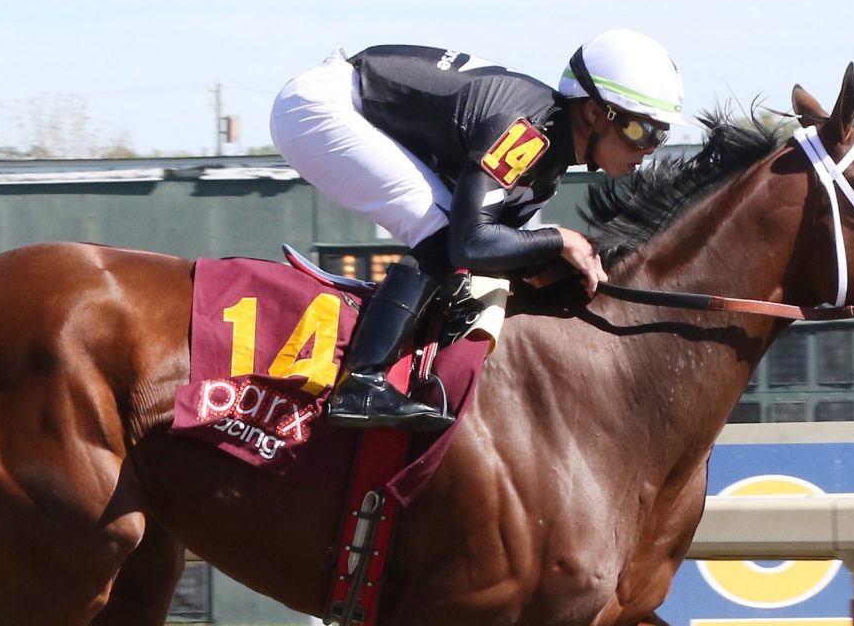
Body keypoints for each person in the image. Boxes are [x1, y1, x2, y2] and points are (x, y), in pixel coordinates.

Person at [269, 29, 689, 431]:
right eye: (641, 130)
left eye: (661, 134)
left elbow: (500, 252)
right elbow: (470, 243)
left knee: (450, 234)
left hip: (351, 102)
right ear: (595, 112)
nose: (649, 149)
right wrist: (561, 239)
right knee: (440, 230)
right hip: (322, 107)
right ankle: (361, 383)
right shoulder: (527, 131)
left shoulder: (550, 159)